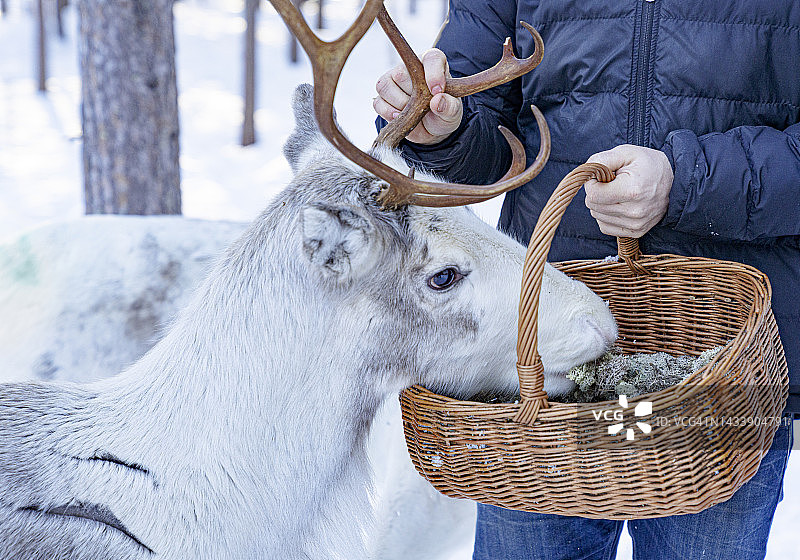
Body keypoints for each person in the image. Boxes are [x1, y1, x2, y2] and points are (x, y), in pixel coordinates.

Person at [373, 1, 798, 559]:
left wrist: (687, 182)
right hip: (538, 364)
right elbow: (485, 134)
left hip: (719, 366)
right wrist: (437, 130)